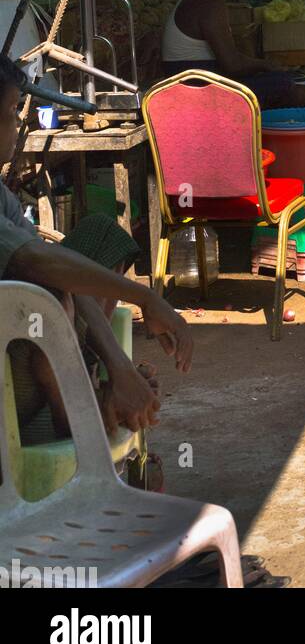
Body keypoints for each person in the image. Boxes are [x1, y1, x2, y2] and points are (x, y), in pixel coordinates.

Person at [0, 56, 192, 446]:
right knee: (48, 298)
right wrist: (146, 297)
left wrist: (118, 367)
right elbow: (35, 262)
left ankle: (97, 387)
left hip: (31, 349)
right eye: (8, 112)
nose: (17, 124)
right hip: (10, 373)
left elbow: (51, 264)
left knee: (101, 235)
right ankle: (78, 416)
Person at [161, 0, 298, 108]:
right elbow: (233, 65)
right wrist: (265, 64)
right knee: (284, 84)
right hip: (196, 91)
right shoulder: (210, 4)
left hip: (198, 82)